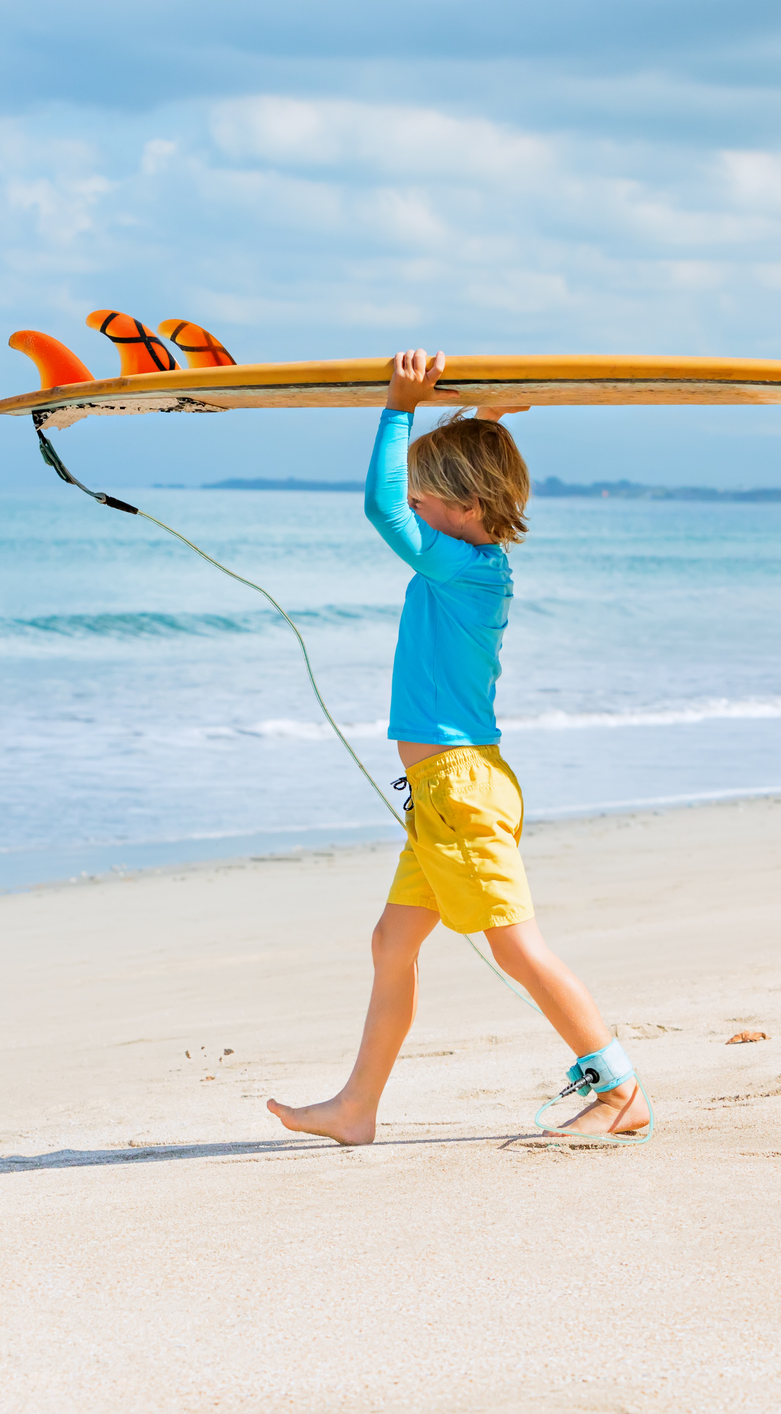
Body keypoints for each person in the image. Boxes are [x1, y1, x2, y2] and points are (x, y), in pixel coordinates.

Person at [267, 349, 650, 1145]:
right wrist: (479, 420)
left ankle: (618, 1088)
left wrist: (397, 408)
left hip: (458, 788)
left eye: (423, 493)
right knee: (391, 943)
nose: (409, 501)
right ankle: (356, 1108)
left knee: (516, 948)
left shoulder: (460, 570)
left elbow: (379, 512)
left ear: (465, 504)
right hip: (447, 791)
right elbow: (428, 497)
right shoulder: (474, 562)